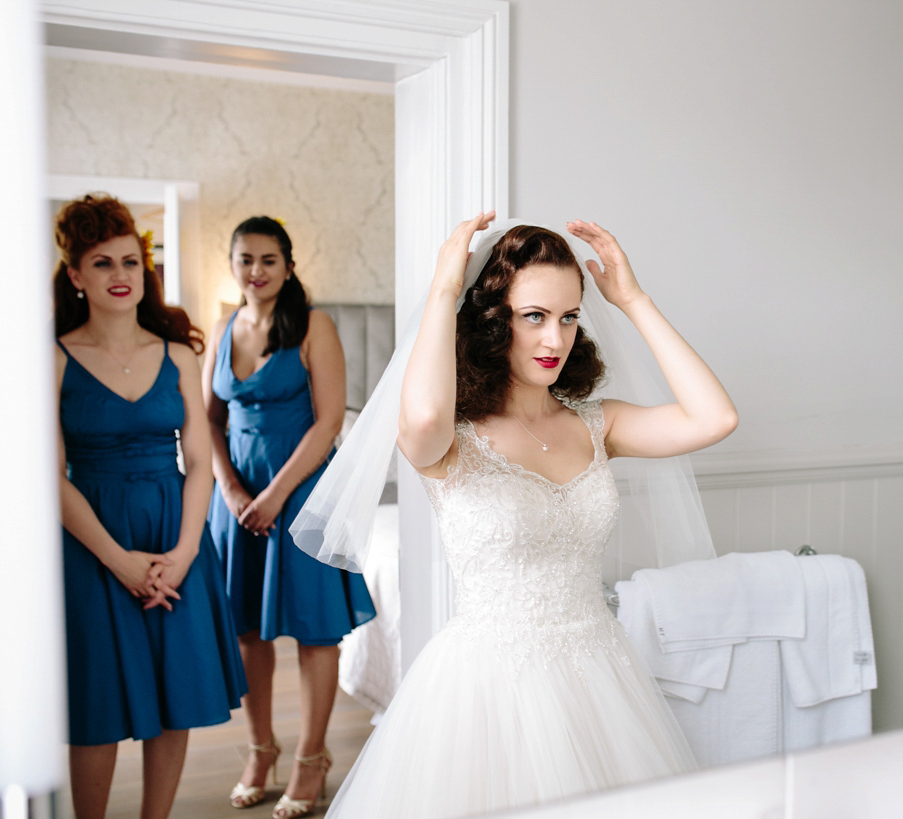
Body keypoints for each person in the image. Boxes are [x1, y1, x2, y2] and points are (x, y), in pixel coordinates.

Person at [304, 213, 738, 818]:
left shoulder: (595, 423)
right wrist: (442, 291)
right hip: (489, 692)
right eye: (533, 316)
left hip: (600, 678)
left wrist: (633, 299)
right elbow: (423, 419)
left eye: (568, 317)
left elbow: (714, 418)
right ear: (491, 319)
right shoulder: (450, 439)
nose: (554, 340)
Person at [54, 194, 246, 819]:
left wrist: (186, 551)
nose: (120, 275)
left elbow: (198, 460)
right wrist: (119, 562)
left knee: (175, 693)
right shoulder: (52, 358)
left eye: (131, 262)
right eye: (102, 263)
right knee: (98, 704)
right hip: (91, 541)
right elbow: (46, 475)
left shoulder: (179, 354)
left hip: (176, 534)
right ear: (76, 274)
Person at [203, 216, 375, 818]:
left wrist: (276, 495)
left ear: (289, 265)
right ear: (232, 264)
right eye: (245, 259)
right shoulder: (223, 328)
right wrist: (226, 486)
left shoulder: (314, 326)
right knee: (247, 629)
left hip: (301, 494)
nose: (256, 271)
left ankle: (311, 757)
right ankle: (260, 750)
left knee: (313, 629)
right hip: (236, 499)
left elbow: (329, 421)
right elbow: (208, 421)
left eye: (268, 260)